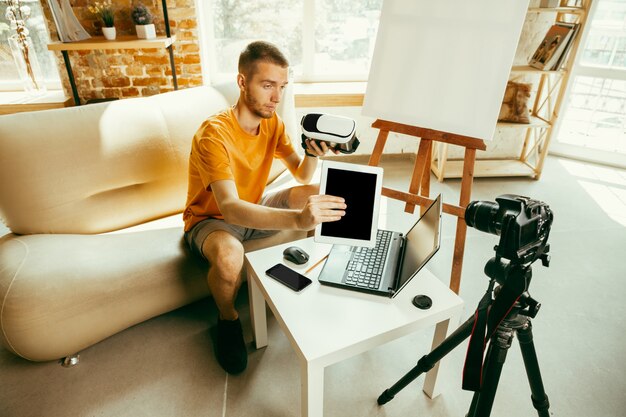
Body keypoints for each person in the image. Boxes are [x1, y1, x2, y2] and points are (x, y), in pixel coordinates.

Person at [183, 41, 346, 374]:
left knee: (319, 194)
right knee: (230, 258)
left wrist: (313, 152)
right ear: (243, 82)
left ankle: (322, 278)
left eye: (282, 87)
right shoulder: (213, 135)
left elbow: (301, 172)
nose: (277, 97)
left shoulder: (272, 124)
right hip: (211, 221)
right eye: (268, 85)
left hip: (254, 206)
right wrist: (298, 219)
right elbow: (229, 209)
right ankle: (228, 320)